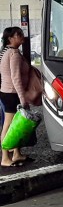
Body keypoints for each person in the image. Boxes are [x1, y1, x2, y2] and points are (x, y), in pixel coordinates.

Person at [0, 27, 31, 167]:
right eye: (19, 35)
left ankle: (16, 154)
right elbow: (16, 78)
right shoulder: (13, 53)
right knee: (8, 125)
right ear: (10, 38)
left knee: (15, 125)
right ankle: (5, 158)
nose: (22, 36)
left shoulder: (6, 51)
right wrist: (23, 98)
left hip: (7, 92)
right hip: (12, 93)